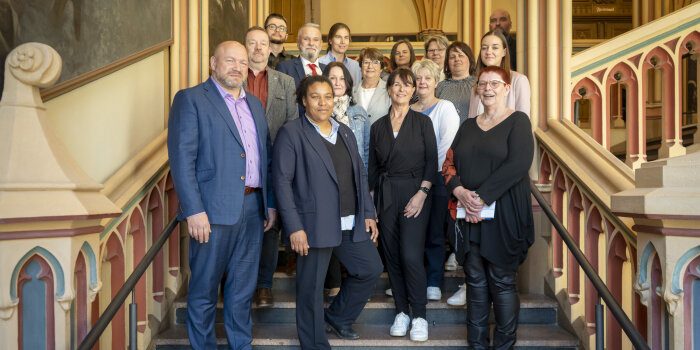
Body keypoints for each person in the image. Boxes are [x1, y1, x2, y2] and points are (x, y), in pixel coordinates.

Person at [167, 41, 275, 350]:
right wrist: (194, 210)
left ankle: (241, 345)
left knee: (242, 289)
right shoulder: (191, 100)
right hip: (211, 211)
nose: (237, 67)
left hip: (253, 208)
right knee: (203, 289)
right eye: (230, 61)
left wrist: (269, 204)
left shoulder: (254, 104)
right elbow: (182, 159)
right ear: (213, 63)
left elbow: (264, 157)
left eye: (242, 62)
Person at [273, 75, 383, 350]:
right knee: (310, 289)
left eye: (327, 96)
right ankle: (314, 344)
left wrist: (368, 213)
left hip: (351, 220)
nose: (323, 102)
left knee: (370, 269)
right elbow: (282, 183)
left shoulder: (343, 130)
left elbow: (359, 174)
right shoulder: (292, 133)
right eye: (315, 96)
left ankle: (337, 316)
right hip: (313, 225)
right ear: (303, 100)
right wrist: (294, 227)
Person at [442, 65, 534, 350]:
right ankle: (477, 346)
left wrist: (480, 198)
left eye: (495, 83)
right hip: (469, 217)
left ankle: (504, 346)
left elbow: (518, 164)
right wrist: (459, 191)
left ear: (507, 88)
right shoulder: (468, 125)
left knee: (502, 282)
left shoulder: (518, 121)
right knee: (476, 282)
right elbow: (448, 162)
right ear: (477, 89)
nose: (488, 89)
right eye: (482, 84)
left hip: (503, 214)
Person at [368, 68, 437, 342]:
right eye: (395, 85)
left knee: (410, 254)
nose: (400, 89)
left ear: (413, 90)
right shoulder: (377, 127)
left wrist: (422, 193)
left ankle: (419, 314)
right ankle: (401, 311)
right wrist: (371, 206)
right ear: (389, 89)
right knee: (392, 256)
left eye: (406, 85)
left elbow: (432, 162)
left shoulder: (422, 122)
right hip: (386, 193)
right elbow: (373, 169)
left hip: (414, 192)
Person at [244, 26, 299, 308]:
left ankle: (264, 286)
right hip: (240, 166)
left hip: (274, 164)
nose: (257, 48)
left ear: (269, 48)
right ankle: (241, 284)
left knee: (270, 225)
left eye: (262, 43)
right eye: (251, 43)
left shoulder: (285, 82)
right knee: (242, 225)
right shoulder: (233, 80)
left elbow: (291, 125)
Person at [321, 61, 371, 302]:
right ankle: (333, 282)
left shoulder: (359, 113)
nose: (338, 82)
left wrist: (367, 188)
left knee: (352, 237)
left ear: (348, 84)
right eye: (332, 78)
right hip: (327, 184)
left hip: (353, 185)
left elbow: (367, 151)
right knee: (328, 231)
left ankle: (355, 281)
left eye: (342, 79)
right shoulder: (318, 112)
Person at [410, 59, 459, 302]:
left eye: (427, 78)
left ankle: (433, 281)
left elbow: (445, 147)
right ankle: (412, 280)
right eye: (418, 78)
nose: (422, 82)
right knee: (412, 233)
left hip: (438, 179)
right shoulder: (408, 109)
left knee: (434, 232)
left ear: (436, 82)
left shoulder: (445, 108)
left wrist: (425, 177)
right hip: (411, 181)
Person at [468, 30, 530, 119]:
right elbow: (472, 122)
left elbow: (523, 121)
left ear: (504, 52)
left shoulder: (519, 80)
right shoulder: (476, 85)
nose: (488, 52)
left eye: (495, 47)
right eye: (484, 47)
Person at [277, 23, 326, 116]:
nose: (311, 43)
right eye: (306, 39)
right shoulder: (285, 68)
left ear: (321, 44)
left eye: (315, 39)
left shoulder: (328, 69)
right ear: (298, 42)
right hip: (297, 126)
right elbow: (281, 107)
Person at [436, 41, 476, 124]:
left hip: (472, 133)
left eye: (461, 55)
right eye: (452, 57)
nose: (457, 59)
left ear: (469, 59)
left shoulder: (478, 83)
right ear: (447, 62)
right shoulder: (441, 86)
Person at [352, 47, 391, 125]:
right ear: (361, 66)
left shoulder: (389, 90)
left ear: (381, 68)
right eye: (366, 62)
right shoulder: (352, 91)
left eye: (375, 62)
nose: (370, 66)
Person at [318, 22, 362, 88]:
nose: (343, 42)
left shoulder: (355, 66)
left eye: (346, 37)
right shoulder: (319, 63)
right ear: (330, 40)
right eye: (338, 37)